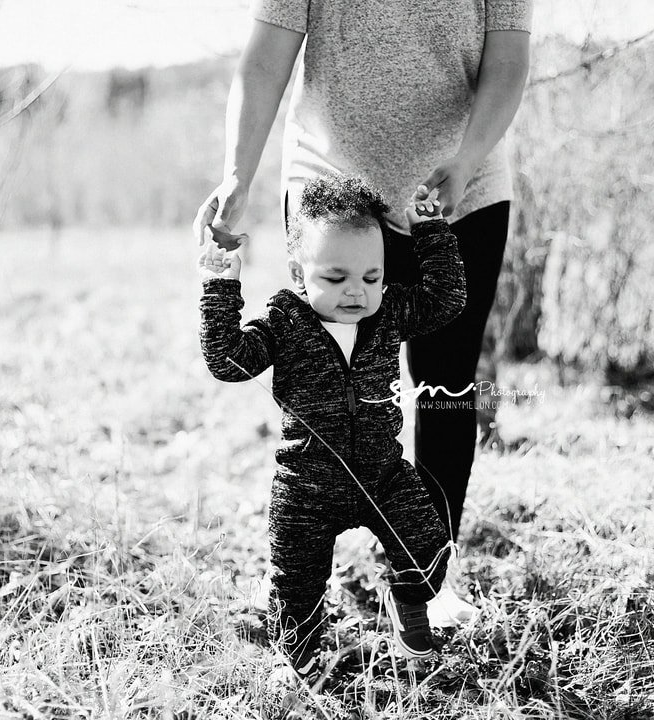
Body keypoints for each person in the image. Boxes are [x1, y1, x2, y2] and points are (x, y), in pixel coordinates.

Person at [192, 0, 532, 626]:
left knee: (446, 387)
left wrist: (465, 159)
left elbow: (507, 62)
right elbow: (266, 57)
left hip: (461, 192)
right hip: (333, 189)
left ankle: (424, 583)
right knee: (320, 384)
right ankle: (295, 579)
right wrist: (237, 176)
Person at [197, 174, 466, 675]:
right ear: (299, 274)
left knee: (428, 546)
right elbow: (228, 360)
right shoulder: (285, 323)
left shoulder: (389, 313)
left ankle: (409, 606)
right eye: (336, 278)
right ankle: (299, 661)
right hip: (306, 488)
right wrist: (220, 284)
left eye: (371, 277)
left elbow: (446, 299)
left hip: (383, 475)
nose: (356, 292)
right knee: (295, 587)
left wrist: (430, 231)